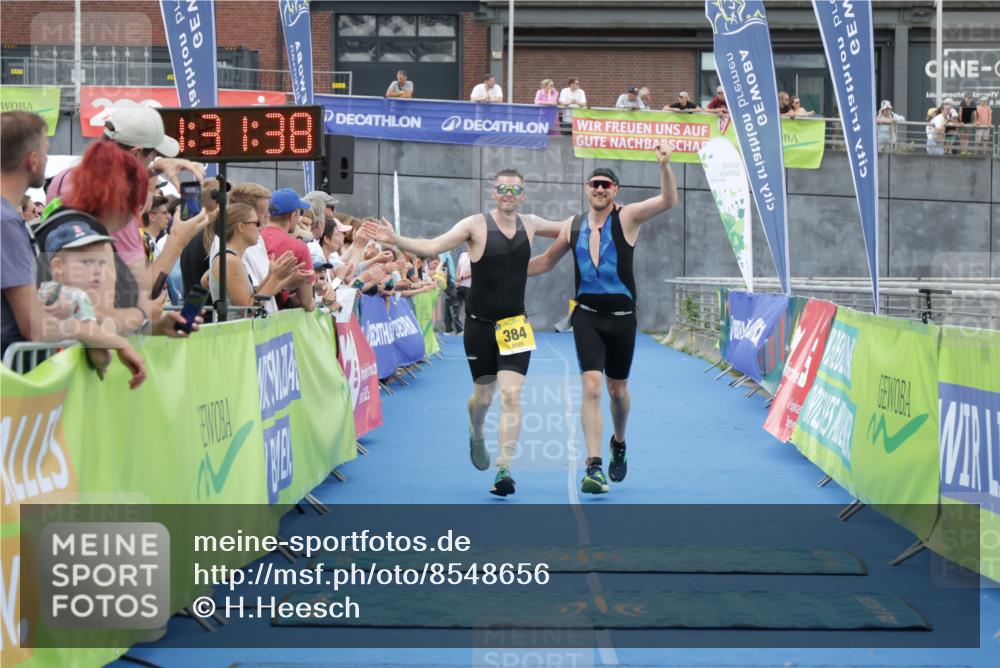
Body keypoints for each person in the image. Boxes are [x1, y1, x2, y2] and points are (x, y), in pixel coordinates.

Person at [361, 170, 565, 497]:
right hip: (480, 326)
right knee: (483, 397)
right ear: (494, 192)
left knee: (512, 394)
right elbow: (431, 247)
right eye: (503, 188)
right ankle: (476, 429)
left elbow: (572, 228)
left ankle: (504, 468)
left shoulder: (532, 222)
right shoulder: (475, 225)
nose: (509, 193)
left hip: (515, 326)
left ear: (523, 194)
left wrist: (607, 216)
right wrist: (396, 239)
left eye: (515, 188)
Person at [526, 140, 679, 494]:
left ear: (615, 191)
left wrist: (664, 166)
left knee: (617, 391)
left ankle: (619, 442)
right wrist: (503, 270)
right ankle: (593, 466)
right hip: (587, 317)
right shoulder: (572, 225)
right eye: (593, 183)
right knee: (592, 386)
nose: (598, 188)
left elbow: (668, 201)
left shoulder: (627, 217)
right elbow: (546, 262)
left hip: (623, 317)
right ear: (586, 189)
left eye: (605, 185)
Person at [1, 111, 146, 385]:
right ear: (32, 160)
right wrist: (106, 337)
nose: (46, 160)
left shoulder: (9, 219)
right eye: (45, 152)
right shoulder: (6, 222)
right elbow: (34, 327)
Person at [206, 203, 298, 311]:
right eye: (257, 223)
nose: (261, 228)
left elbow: (253, 296)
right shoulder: (230, 260)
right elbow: (248, 309)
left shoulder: (231, 257)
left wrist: (271, 275)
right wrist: (275, 278)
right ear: (241, 227)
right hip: (236, 327)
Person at [260, 188, 316, 311]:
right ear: (293, 215)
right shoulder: (299, 247)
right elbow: (307, 302)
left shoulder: (253, 238)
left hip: (250, 312)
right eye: (299, 213)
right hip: (274, 317)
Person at [456, 248, 471, 324]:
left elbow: (473, 271)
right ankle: (459, 328)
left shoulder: (475, 257)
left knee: (469, 308)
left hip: (469, 287)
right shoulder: (463, 255)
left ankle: (470, 326)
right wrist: (457, 279)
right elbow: (458, 267)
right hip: (459, 286)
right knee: (456, 307)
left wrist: (461, 277)